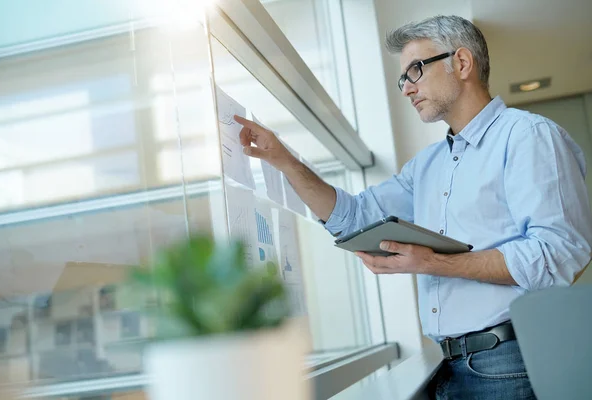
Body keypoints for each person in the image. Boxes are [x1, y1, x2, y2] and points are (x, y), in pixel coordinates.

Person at [234, 15, 592, 400]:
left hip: (509, 363)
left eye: (415, 71)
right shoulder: (428, 166)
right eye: (403, 78)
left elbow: (559, 254)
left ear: (462, 63)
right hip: (447, 367)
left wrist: (433, 262)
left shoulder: (528, 136)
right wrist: (284, 160)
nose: (407, 88)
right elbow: (353, 216)